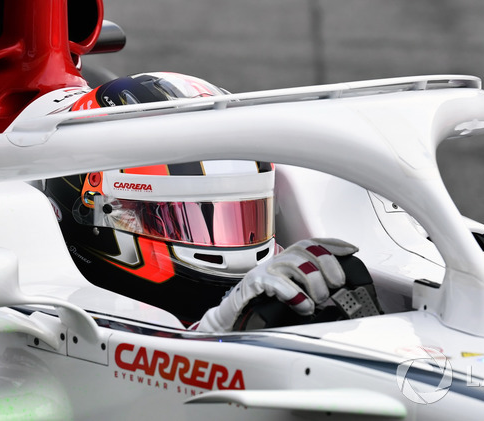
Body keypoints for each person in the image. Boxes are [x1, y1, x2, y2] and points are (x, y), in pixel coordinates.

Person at [44, 72, 363, 332]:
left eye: (243, 218)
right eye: (181, 219)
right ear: (97, 207)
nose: (232, 245)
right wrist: (219, 329)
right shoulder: (44, 321)